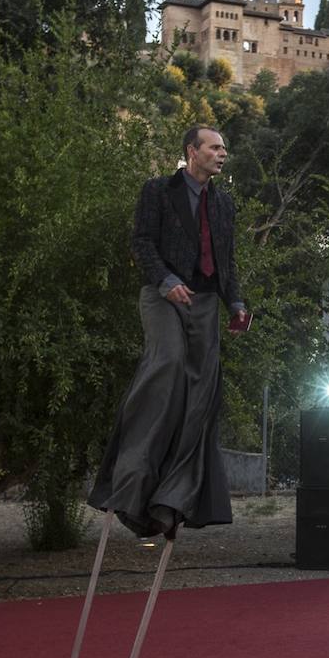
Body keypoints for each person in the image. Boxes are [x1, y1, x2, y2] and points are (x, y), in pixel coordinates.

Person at [89, 125, 247, 538]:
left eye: (224, 148)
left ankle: (171, 500)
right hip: (163, 297)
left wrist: (238, 305)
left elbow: (228, 262)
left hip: (206, 302)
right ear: (191, 151)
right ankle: (131, 486)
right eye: (214, 147)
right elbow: (141, 242)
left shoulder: (225, 204)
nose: (222, 153)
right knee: (169, 365)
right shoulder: (157, 190)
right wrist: (165, 281)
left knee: (200, 399)